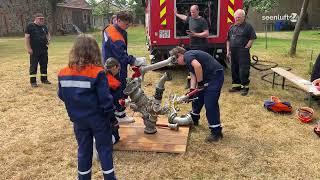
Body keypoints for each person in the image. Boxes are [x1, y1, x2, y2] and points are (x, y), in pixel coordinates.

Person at [58, 34, 116, 180]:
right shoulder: (97, 72)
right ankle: (109, 178)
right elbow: (105, 100)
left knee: (83, 150)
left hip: (78, 119)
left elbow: (61, 94)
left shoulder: (63, 72)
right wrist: (111, 118)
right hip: (98, 119)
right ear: (94, 51)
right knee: (104, 149)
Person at [169, 46, 224, 142]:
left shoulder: (188, 55)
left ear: (180, 55)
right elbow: (193, 75)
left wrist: (201, 83)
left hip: (215, 76)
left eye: (176, 59)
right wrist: (191, 91)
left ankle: (216, 132)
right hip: (206, 77)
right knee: (197, 97)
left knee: (210, 103)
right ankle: (194, 118)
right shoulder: (189, 60)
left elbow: (197, 66)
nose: (176, 62)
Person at [102, 11, 146, 123]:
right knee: (119, 88)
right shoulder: (115, 35)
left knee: (113, 88)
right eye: (125, 24)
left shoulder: (110, 28)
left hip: (109, 63)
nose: (127, 27)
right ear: (118, 20)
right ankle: (120, 115)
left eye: (128, 24)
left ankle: (115, 112)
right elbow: (121, 56)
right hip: (115, 66)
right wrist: (134, 60)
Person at [226, 9, 257, 96]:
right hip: (233, 52)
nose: (237, 19)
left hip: (243, 52)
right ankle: (236, 86)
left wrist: (247, 46)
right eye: (235, 17)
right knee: (234, 69)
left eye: (239, 17)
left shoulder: (248, 27)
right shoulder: (232, 27)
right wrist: (228, 50)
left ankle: (245, 87)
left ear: (243, 17)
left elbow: (252, 37)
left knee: (243, 70)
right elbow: (228, 40)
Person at [25, 13, 51, 87]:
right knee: (33, 66)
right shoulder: (30, 26)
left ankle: (44, 79)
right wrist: (28, 48)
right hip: (34, 50)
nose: (42, 20)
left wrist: (48, 39)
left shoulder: (44, 26)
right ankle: (33, 82)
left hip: (43, 49)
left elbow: (48, 34)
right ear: (35, 19)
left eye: (43, 19)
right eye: (40, 19)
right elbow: (27, 38)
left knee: (44, 64)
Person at [104, 57, 122, 143]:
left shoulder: (101, 75)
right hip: (106, 109)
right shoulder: (114, 83)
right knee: (113, 123)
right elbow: (115, 99)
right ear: (114, 67)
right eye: (118, 69)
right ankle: (112, 139)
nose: (118, 71)